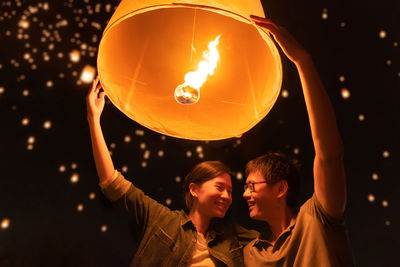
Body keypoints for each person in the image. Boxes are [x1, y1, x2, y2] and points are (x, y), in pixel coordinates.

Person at [86, 76, 257, 266]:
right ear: (194, 189)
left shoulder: (233, 237)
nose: (226, 196)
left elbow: (280, 239)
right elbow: (112, 183)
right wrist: (94, 119)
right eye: (219, 187)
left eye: (230, 191)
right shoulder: (161, 220)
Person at [242, 16, 354, 266]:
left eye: (251, 186)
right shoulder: (251, 252)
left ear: (281, 188)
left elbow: (330, 154)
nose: (244, 193)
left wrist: (302, 61)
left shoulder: (317, 218)